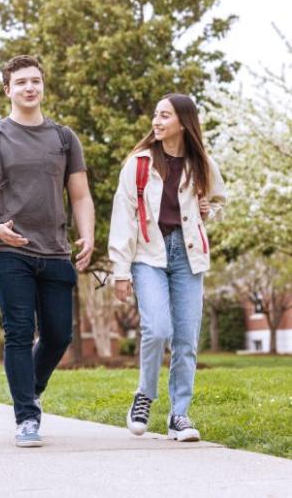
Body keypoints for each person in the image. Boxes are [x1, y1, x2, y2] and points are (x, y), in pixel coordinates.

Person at [0, 55, 95, 447]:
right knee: (19, 332)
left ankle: (29, 389)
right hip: (8, 251)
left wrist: (87, 235)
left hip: (54, 250)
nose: (29, 87)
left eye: (35, 81)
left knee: (58, 335)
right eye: (21, 81)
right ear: (7, 89)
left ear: (42, 86)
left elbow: (80, 194)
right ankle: (26, 416)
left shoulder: (63, 138)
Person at [108, 93, 226, 442]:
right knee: (158, 329)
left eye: (164, 116)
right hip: (149, 254)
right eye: (155, 116)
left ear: (182, 122)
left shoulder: (201, 162)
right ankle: (144, 396)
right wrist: (120, 270)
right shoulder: (139, 163)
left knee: (186, 339)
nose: (157, 122)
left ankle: (179, 415)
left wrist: (208, 209)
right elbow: (123, 217)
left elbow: (218, 199)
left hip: (188, 257)